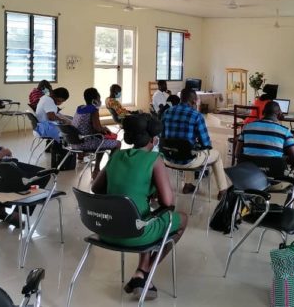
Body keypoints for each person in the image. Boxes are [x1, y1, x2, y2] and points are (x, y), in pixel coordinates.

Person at [92, 114, 187, 300]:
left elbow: (96, 188)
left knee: (144, 216)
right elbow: (168, 204)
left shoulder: (116, 155)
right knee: (182, 219)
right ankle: (143, 272)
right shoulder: (154, 159)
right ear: (154, 139)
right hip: (134, 235)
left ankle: (141, 273)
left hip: (105, 229)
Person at [162, 88, 228, 199]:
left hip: (168, 158)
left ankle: (188, 185)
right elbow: (206, 143)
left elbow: (162, 136)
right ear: (194, 101)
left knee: (190, 148)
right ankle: (223, 190)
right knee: (215, 155)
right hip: (188, 161)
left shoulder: (167, 112)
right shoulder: (196, 115)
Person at [72, 88, 122, 177]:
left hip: (74, 142)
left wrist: (102, 129)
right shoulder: (93, 110)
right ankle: (109, 170)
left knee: (102, 141)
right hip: (85, 143)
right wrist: (104, 129)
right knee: (117, 143)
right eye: (99, 99)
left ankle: (97, 169)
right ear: (94, 100)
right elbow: (97, 128)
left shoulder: (79, 108)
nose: (100, 101)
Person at [236, 101, 294, 167]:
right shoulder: (285, 131)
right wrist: (284, 159)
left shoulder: (247, 127)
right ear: (279, 114)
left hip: (248, 171)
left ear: (263, 112)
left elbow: (237, 154)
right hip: (272, 172)